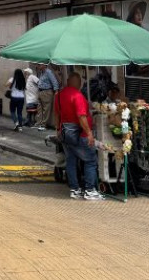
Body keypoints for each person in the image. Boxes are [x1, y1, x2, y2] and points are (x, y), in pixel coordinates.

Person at [54, 72, 102, 201]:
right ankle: (90, 190)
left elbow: (57, 115)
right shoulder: (78, 96)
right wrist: (89, 133)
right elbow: (81, 117)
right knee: (90, 160)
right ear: (79, 84)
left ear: (68, 81)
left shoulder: (58, 96)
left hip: (65, 133)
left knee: (71, 161)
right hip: (80, 134)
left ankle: (74, 190)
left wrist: (58, 129)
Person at [36, 64, 60, 129]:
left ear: (44, 65)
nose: (38, 66)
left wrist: (56, 91)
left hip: (46, 92)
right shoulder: (42, 72)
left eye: (39, 65)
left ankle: (43, 124)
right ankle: (39, 123)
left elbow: (54, 82)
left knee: (46, 109)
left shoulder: (48, 72)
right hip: (40, 91)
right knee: (39, 108)